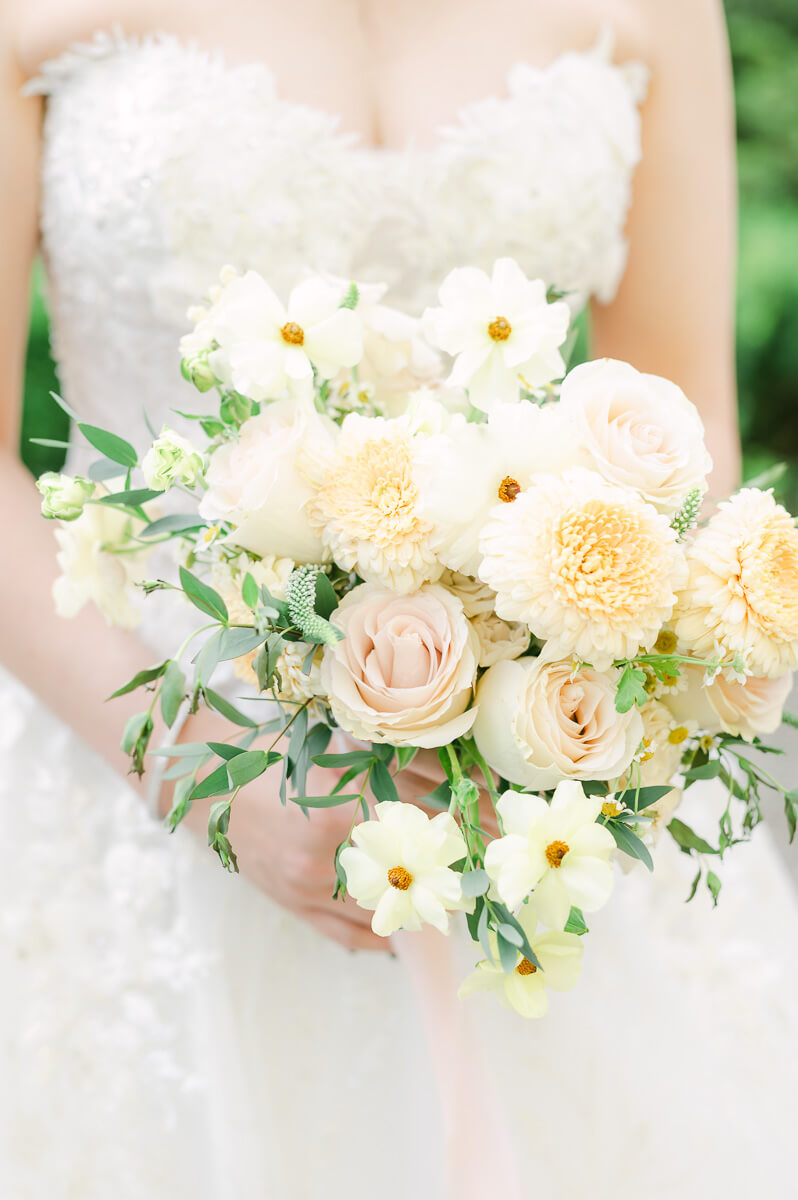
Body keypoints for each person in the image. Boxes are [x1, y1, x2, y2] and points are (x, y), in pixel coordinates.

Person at [1, 1, 795, 1197]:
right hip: (123, 719)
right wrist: (203, 773)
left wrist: (569, 708)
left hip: (538, 786)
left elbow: (686, 412)